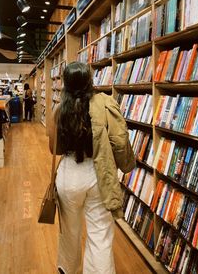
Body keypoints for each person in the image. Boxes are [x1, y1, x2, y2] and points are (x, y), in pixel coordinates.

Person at [49, 62, 136, 274]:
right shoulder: (105, 102)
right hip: (98, 173)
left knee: (69, 230)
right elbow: (120, 140)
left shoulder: (59, 109)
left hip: (68, 175)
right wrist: (126, 165)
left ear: (65, 84)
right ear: (90, 80)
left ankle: (68, 269)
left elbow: (54, 149)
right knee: (100, 234)